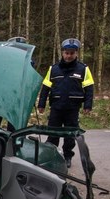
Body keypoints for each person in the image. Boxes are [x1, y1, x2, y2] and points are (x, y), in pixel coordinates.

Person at [38, 38, 94, 168]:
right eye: (67, 53)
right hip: (56, 107)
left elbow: (89, 88)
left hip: (72, 108)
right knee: (53, 133)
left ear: (76, 54)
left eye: (72, 53)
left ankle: (67, 156)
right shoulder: (53, 69)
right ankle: (50, 155)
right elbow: (45, 88)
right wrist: (41, 104)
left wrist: (88, 105)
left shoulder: (83, 69)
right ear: (63, 53)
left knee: (69, 135)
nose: (69, 56)